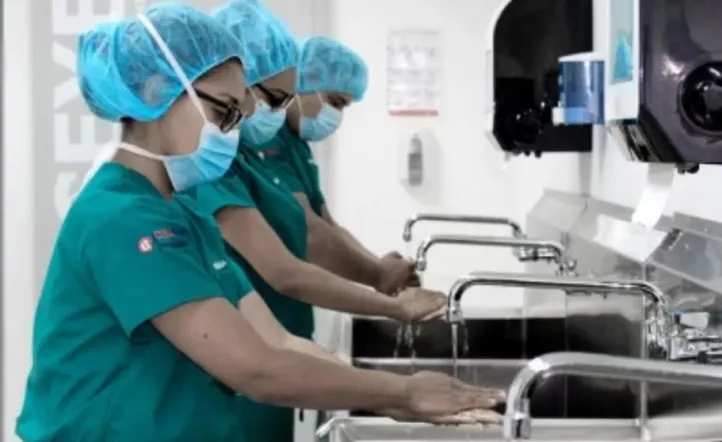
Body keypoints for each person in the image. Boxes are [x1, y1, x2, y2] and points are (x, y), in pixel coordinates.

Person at [16, 4, 503, 442]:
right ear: (155, 91)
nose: (231, 133)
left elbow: (278, 340)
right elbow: (255, 368)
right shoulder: (121, 217)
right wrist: (403, 394)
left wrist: (392, 394)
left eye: (238, 115)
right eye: (223, 112)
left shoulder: (184, 211)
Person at [176, 3, 453, 440]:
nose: (264, 111)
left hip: (271, 356)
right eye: (268, 98)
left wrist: (393, 391)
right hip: (235, 379)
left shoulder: (247, 161)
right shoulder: (201, 177)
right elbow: (288, 268)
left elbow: (277, 337)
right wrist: (388, 301)